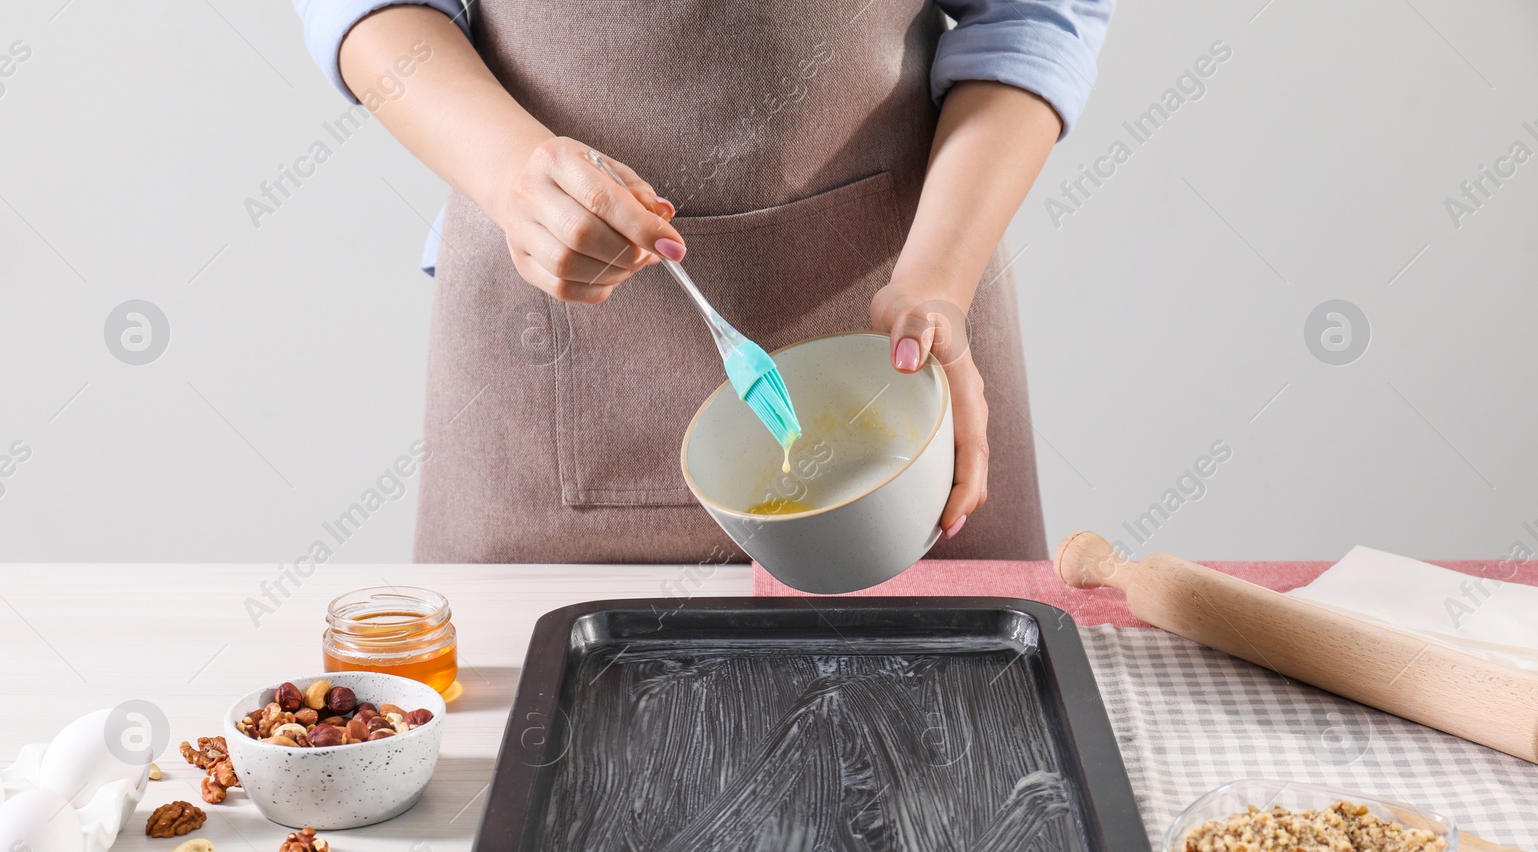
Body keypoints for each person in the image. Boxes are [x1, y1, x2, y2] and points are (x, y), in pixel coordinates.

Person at [295, 0, 1112, 563]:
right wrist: (512, 170)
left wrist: (939, 276)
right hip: (542, 382)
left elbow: (1031, 10)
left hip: (909, 352)